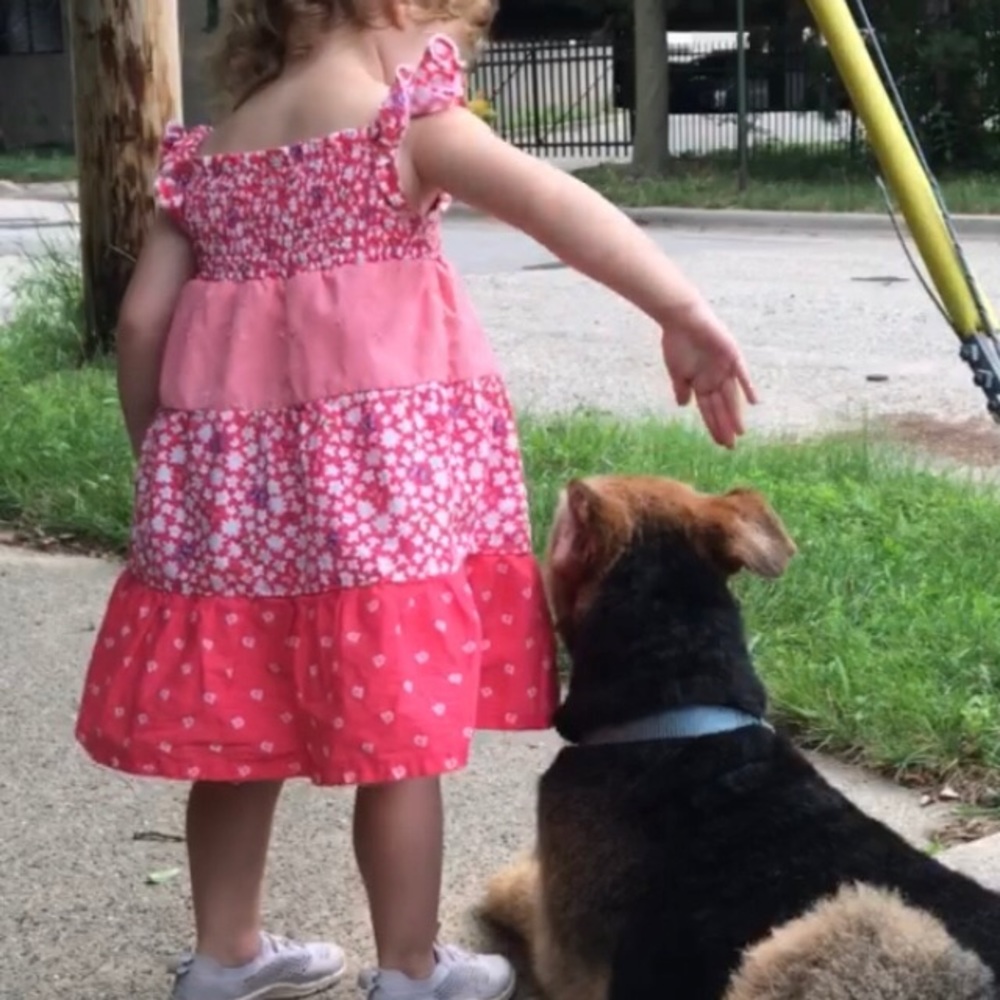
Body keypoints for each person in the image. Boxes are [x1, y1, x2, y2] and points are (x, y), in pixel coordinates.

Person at [74, 0, 757, 998]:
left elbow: (141, 326)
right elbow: (558, 211)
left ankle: (223, 953)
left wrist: (168, 465)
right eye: (450, 29)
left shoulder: (208, 154)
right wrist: (682, 310)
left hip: (234, 511)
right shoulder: (403, 125)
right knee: (398, 737)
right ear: (392, 7)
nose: (450, 55)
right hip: (379, 511)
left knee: (234, 727)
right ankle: (407, 967)